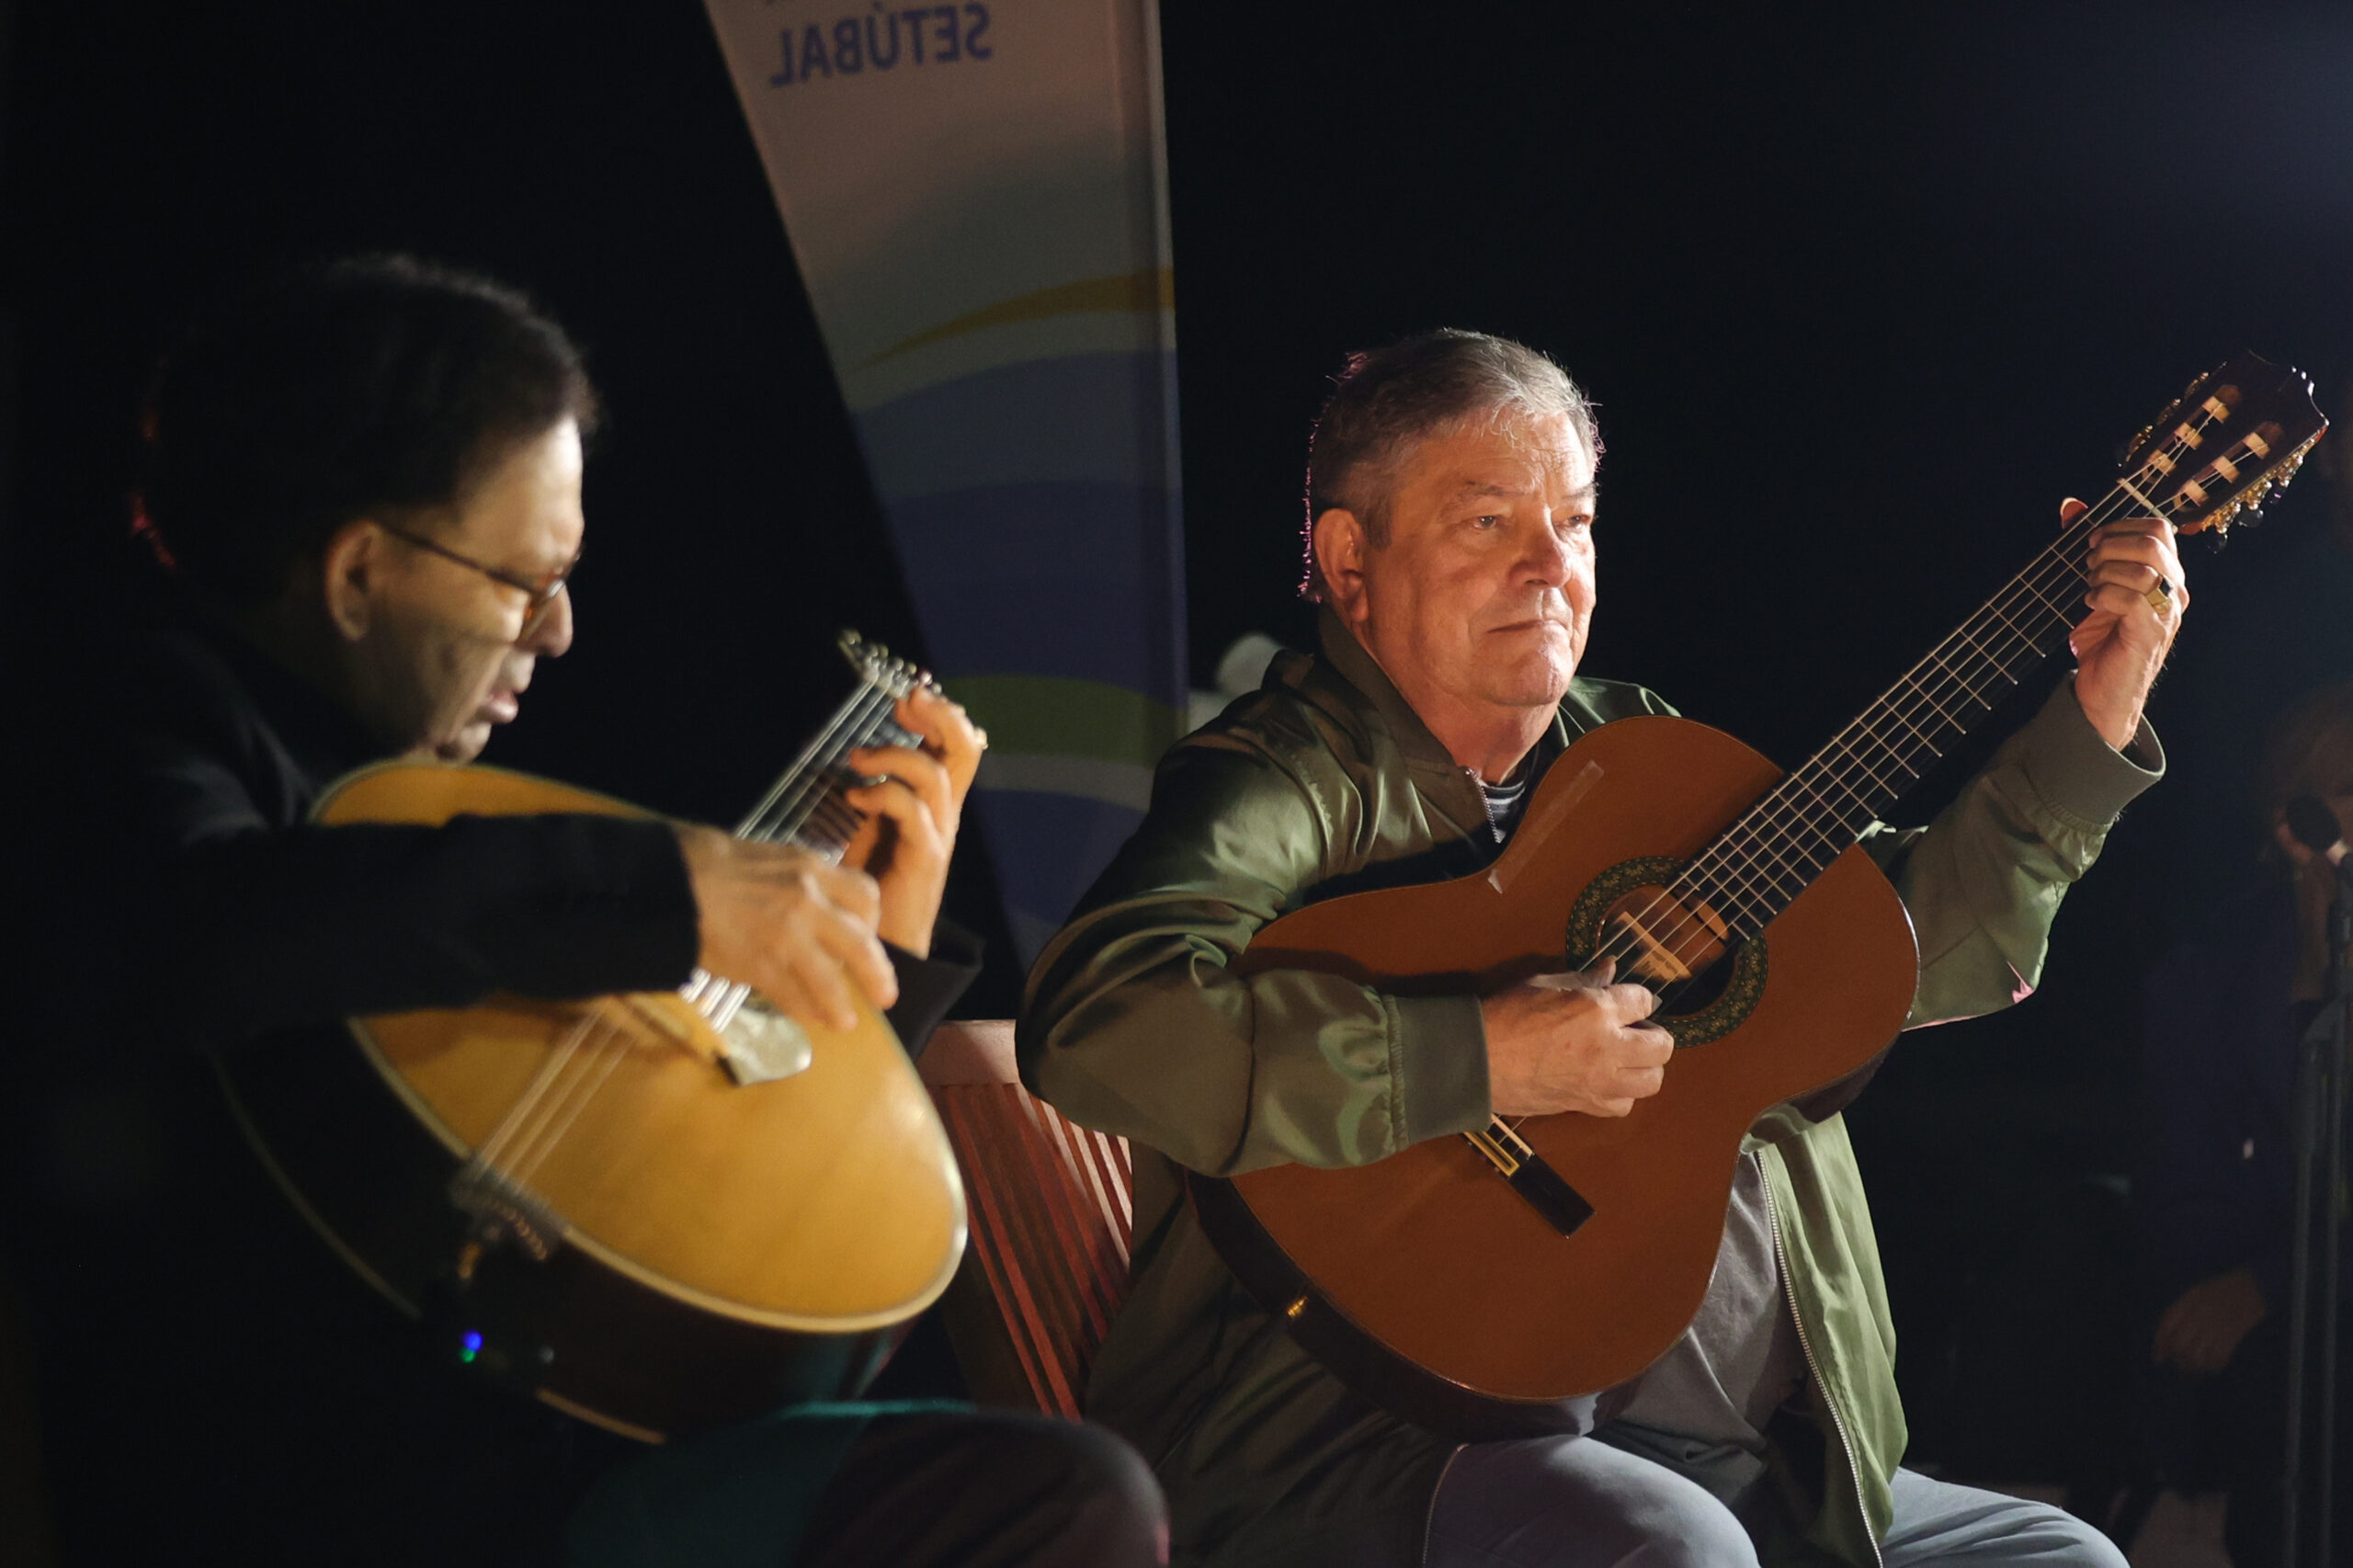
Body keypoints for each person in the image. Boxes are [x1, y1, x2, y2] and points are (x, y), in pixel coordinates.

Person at [3, 256, 1165, 1566]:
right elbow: (203, 928)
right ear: (358, 572)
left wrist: (872, 954)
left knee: (1066, 1487)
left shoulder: (452, 840)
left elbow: (736, 1235)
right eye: (522, 578)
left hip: (572, 1466)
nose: (555, 630)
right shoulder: (140, 734)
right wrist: (669, 890)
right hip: (361, 1504)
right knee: (1058, 1498)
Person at [1019, 330, 2181, 1567]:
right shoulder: (1290, 780)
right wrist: (1483, 1055)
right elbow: (1104, 1019)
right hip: (1381, 1441)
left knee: (2066, 1560)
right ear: (1349, 560)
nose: (1548, 567)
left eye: (1572, 521)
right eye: (1487, 523)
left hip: (1761, 1466)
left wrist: (2096, 717)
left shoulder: (1632, 750)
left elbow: (1894, 951)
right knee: (1671, 1551)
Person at [2139, 677, 2353, 1568]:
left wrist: (2272, 1282)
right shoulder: (2210, 976)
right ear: (2293, 823)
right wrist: (2236, 1287)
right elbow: (2184, 1180)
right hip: (2270, 1332)